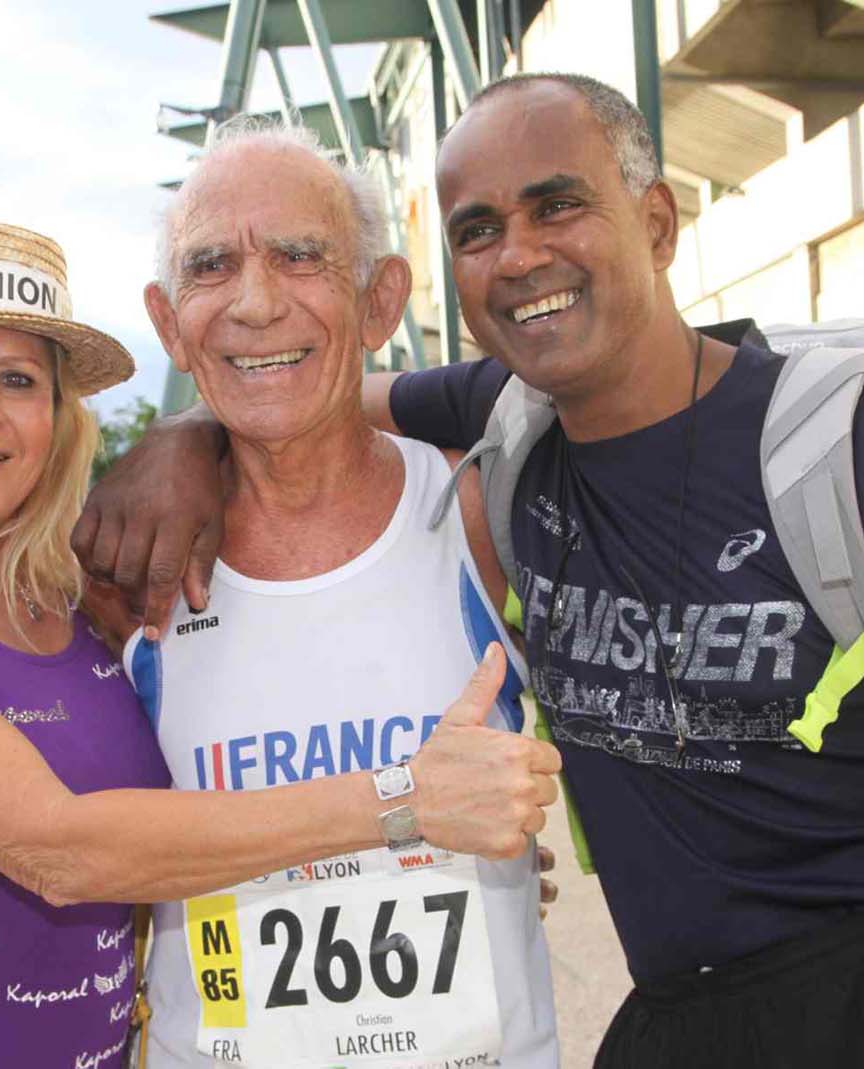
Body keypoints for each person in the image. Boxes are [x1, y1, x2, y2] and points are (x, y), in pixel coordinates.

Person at [79, 75, 864, 1066]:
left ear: (657, 224)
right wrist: (182, 434)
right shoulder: (506, 431)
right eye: (478, 230)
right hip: (678, 1019)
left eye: (558, 206)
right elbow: (300, 385)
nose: (520, 255)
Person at [0, 217, 560, 1069]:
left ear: (56, 418)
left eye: (18, 379)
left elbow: (171, 812)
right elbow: (60, 848)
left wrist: (436, 872)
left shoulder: (66, 602)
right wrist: (406, 803)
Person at [122, 119, 558, 1067]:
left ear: (380, 300)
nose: (255, 302)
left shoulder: (476, 510)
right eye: (211, 266)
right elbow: (43, 825)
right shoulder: (126, 568)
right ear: (168, 323)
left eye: (299, 255)